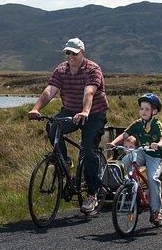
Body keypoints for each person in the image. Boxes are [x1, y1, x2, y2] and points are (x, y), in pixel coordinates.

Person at [28, 38, 109, 214]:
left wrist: (86, 112)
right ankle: (64, 160)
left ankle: (93, 195)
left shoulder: (92, 69)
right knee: (52, 126)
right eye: (68, 53)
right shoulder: (61, 70)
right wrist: (35, 109)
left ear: (83, 52)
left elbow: (89, 92)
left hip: (94, 113)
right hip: (70, 110)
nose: (70, 56)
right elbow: (50, 90)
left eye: (74, 53)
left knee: (88, 150)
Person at [107, 93, 162, 225]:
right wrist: (113, 143)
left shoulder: (158, 124)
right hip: (143, 151)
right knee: (126, 160)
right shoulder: (138, 124)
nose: (143, 111)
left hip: (155, 156)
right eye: (141, 108)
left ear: (155, 111)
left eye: (147, 109)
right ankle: (130, 185)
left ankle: (156, 210)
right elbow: (125, 134)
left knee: (152, 178)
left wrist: (159, 144)